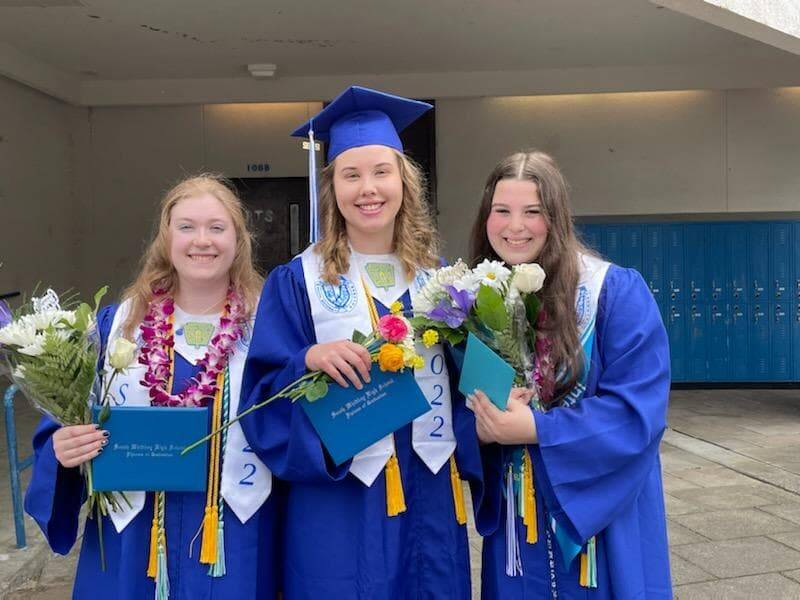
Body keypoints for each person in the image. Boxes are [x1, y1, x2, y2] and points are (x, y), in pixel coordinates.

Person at [239, 86, 482, 599]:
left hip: (428, 485)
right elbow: (260, 391)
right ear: (332, 189)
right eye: (351, 175)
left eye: (381, 172)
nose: (368, 189)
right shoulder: (297, 281)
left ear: (404, 182)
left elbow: (470, 380)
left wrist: (502, 387)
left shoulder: (440, 280)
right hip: (342, 488)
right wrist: (306, 358)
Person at [25, 175, 279, 600]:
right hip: (134, 531)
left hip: (234, 525)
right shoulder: (115, 326)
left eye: (217, 227)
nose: (202, 240)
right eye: (186, 227)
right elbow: (64, 421)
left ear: (239, 239)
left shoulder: (269, 327)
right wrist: (61, 450)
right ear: (166, 237)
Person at [467, 151, 672, 599]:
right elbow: (468, 404)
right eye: (501, 211)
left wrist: (536, 427)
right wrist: (483, 429)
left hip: (600, 517)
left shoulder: (613, 292)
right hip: (516, 523)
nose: (514, 226)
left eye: (532, 212)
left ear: (556, 217)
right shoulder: (483, 303)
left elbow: (637, 413)